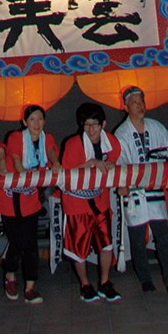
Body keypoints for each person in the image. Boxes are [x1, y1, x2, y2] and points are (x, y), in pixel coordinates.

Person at [114, 86, 168, 294]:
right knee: (137, 238)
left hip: (154, 191)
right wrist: (124, 183)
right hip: (134, 193)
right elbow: (120, 159)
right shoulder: (121, 133)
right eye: (135, 102)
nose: (140, 106)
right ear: (126, 106)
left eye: (142, 101)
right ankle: (145, 279)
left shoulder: (156, 127)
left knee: (162, 236)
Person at [60, 102, 121, 302]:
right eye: (87, 125)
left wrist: (110, 164)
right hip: (77, 204)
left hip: (100, 201)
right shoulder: (72, 144)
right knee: (79, 249)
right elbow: (68, 174)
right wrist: (91, 164)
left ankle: (105, 282)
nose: (91, 129)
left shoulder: (111, 141)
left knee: (106, 244)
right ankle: (85, 284)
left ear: (103, 124)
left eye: (95, 125)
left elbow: (115, 160)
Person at [0, 105, 57, 304]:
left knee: (31, 243)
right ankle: (10, 275)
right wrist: (24, 174)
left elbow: (51, 153)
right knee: (17, 241)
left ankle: (30, 287)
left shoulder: (46, 138)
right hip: (11, 196)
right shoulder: (16, 137)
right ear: (24, 122)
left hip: (30, 196)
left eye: (40, 119)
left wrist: (56, 165)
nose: (36, 123)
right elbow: (15, 159)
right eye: (32, 119)